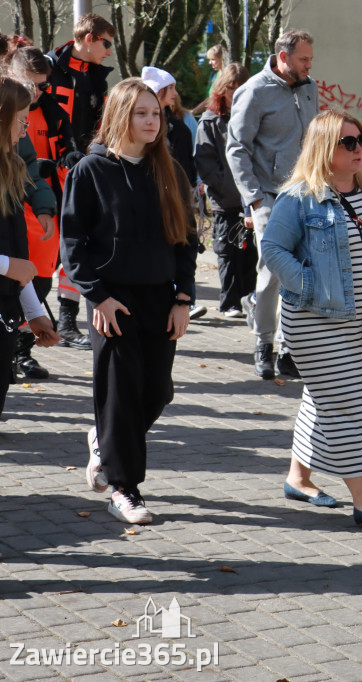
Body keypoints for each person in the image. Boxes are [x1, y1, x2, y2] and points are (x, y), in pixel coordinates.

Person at [60, 78, 198, 524]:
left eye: (155, 113)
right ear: (120, 116)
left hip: (161, 297)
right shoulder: (90, 171)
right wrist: (97, 298)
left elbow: (186, 241)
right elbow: (74, 243)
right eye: (141, 113)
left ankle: (104, 443)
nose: (151, 121)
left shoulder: (170, 171)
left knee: (158, 389)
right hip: (111, 299)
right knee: (121, 393)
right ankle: (125, 488)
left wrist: (183, 297)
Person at [260, 110, 362, 525]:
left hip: (356, 320)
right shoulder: (299, 197)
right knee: (344, 402)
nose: (360, 149)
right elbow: (272, 249)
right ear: (324, 148)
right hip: (314, 319)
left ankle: (298, 478)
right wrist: (309, 285)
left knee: (322, 399)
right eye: (348, 143)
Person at [226, 30, 318, 380]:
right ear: (283, 57)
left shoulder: (309, 87)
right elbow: (236, 149)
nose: (309, 65)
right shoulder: (253, 91)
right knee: (273, 270)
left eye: (310, 59)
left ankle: (288, 347)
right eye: (303, 59)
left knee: (303, 271)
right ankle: (263, 343)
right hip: (268, 196)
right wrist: (254, 199)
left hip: (307, 195)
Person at [46, 12, 115, 353]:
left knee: (78, 242)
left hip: (82, 172)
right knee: (40, 245)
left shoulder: (97, 79)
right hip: (44, 171)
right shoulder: (48, 67)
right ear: (89, 38)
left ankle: (67, 320)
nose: (109, 52)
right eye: (106, 44)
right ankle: (27, 324)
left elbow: (100, 124)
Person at [0, 76, 59, 416]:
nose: (25, 131)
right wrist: (8, 267)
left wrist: (35, 313)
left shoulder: (11, 173)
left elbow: (18, 259)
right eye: (21, 120)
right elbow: (15, 264)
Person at [140, 66, 205, 320]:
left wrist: (188, 190)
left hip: (178, 194)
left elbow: (187, 164)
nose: (176, 94)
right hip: (153, 197)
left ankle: (185, 297)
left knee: (182, 242)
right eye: (171, 89)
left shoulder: (180, 127)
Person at [195, 63, 255, 319]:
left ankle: (251, 298)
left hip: (251, 198)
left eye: (241, 88)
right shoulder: (210, 120)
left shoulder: (253, 115)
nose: (236, 93)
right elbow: (205, 161)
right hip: (225, 198)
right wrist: (229, 187)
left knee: (249, 251)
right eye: (231, 88)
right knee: (228, 250)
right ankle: (229, 302)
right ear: (222, 90)